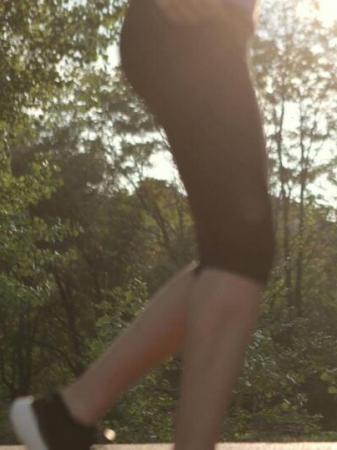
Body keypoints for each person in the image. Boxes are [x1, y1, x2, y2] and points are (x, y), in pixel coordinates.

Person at [9, 0, 274, 449]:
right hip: (187, 27)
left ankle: (68, 414)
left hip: (200, 33)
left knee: (234, 251)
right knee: (240, 250)